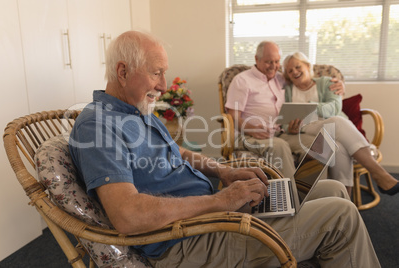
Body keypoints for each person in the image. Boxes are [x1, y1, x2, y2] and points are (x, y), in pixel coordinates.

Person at [69, 30, 381, 267]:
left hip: (213, 215)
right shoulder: (98, 125)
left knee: (332, 190)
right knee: (341, 215)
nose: (164, 86)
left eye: (164, 72)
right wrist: (221, 200)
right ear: (123, 72)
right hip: (188, 240)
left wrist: (225, 170)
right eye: (156, 73)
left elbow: (176, 152)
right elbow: (127, 214)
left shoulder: (135, 112)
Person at [282, 51, 399, 196]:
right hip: (307, 129)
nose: (295, 72)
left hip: (335, 128)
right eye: (290, 71)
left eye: (298, 67)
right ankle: (378, 173)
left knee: (339, 144)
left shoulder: (328, 82)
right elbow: (284, 119)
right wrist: (290, 128)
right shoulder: (287, 90)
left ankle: (344, 200)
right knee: (337, 122)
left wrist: (308, 107)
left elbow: (335, 108)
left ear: (307, 66)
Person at [225, 41, 345, 178]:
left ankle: (313, 194)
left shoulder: (280, 78)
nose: (274, 66)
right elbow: (232, 116)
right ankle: (291, 197)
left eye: (276, 62)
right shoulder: (242, 80)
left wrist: (340, 86)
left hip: (282, 133)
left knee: (323, 145)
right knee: (280, 146)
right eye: (269, 62)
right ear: (256, 59)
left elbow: (306, 80)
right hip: (249, 135)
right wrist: (250, 128)